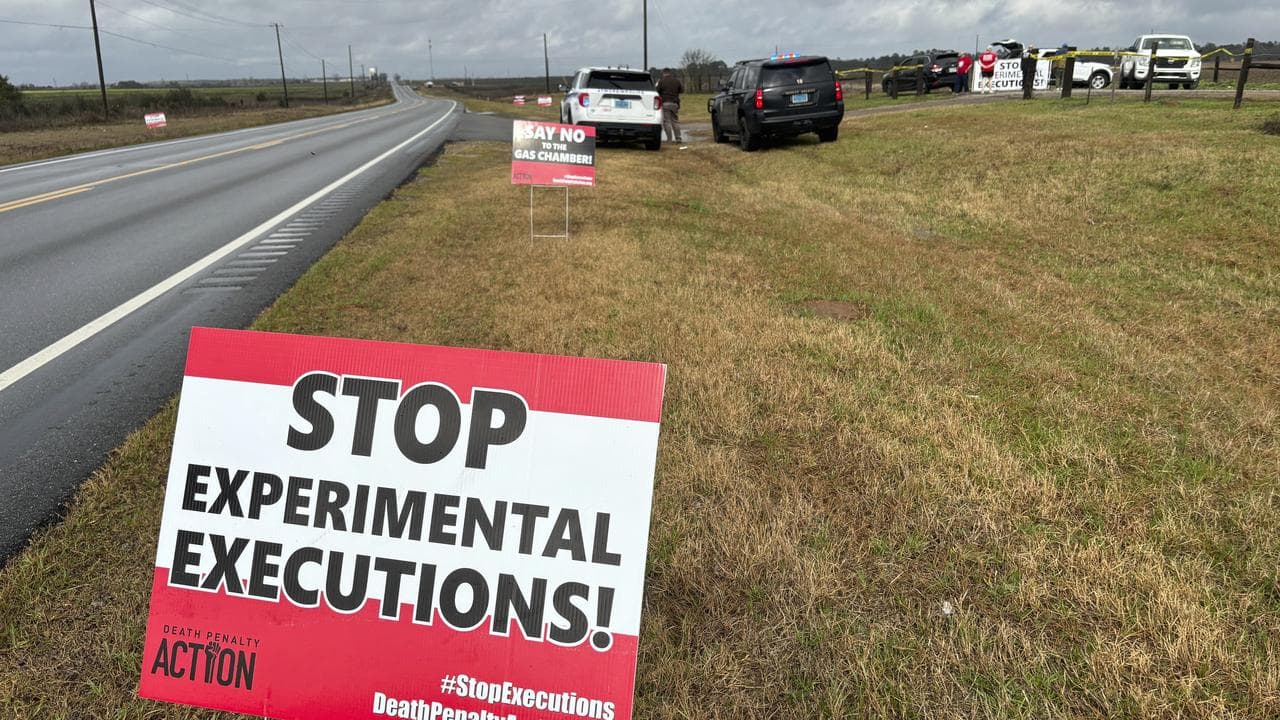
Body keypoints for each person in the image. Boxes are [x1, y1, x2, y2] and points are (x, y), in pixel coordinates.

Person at [656, 68, 683, 144]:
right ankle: (678, 138)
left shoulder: (661, 81)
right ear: (670, 73)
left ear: (663, 73)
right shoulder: (676, 81)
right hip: (675, 103)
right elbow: (681, 90)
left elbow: (657, 90)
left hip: (665, 103)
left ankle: (669, 139)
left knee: (667, 122)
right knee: (675, 121)